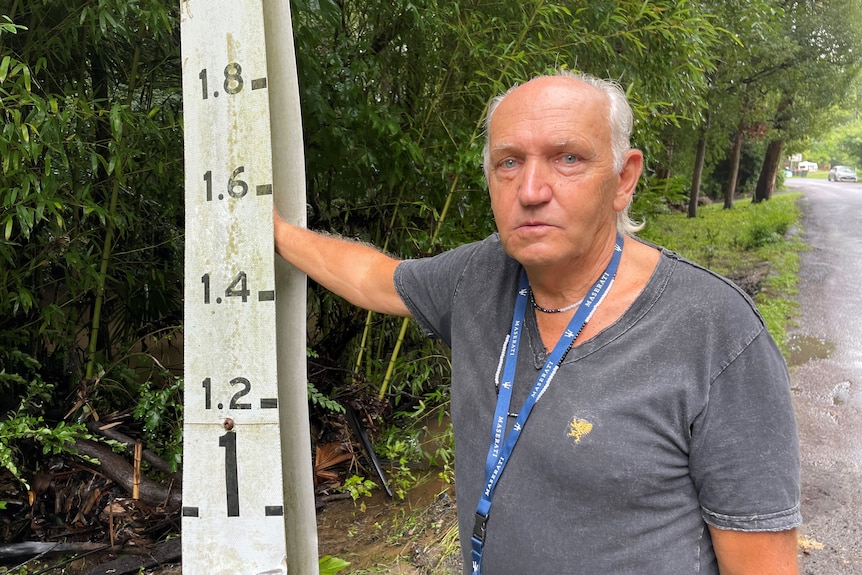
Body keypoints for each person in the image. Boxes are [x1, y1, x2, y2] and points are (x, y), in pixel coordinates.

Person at [274, 70, 801, 574]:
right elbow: (372, 278)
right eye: (508, 162)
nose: (530, 189)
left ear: (624, 179)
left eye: (567, 158)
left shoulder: (715, 333)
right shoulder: (478, 278)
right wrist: (274, 229)